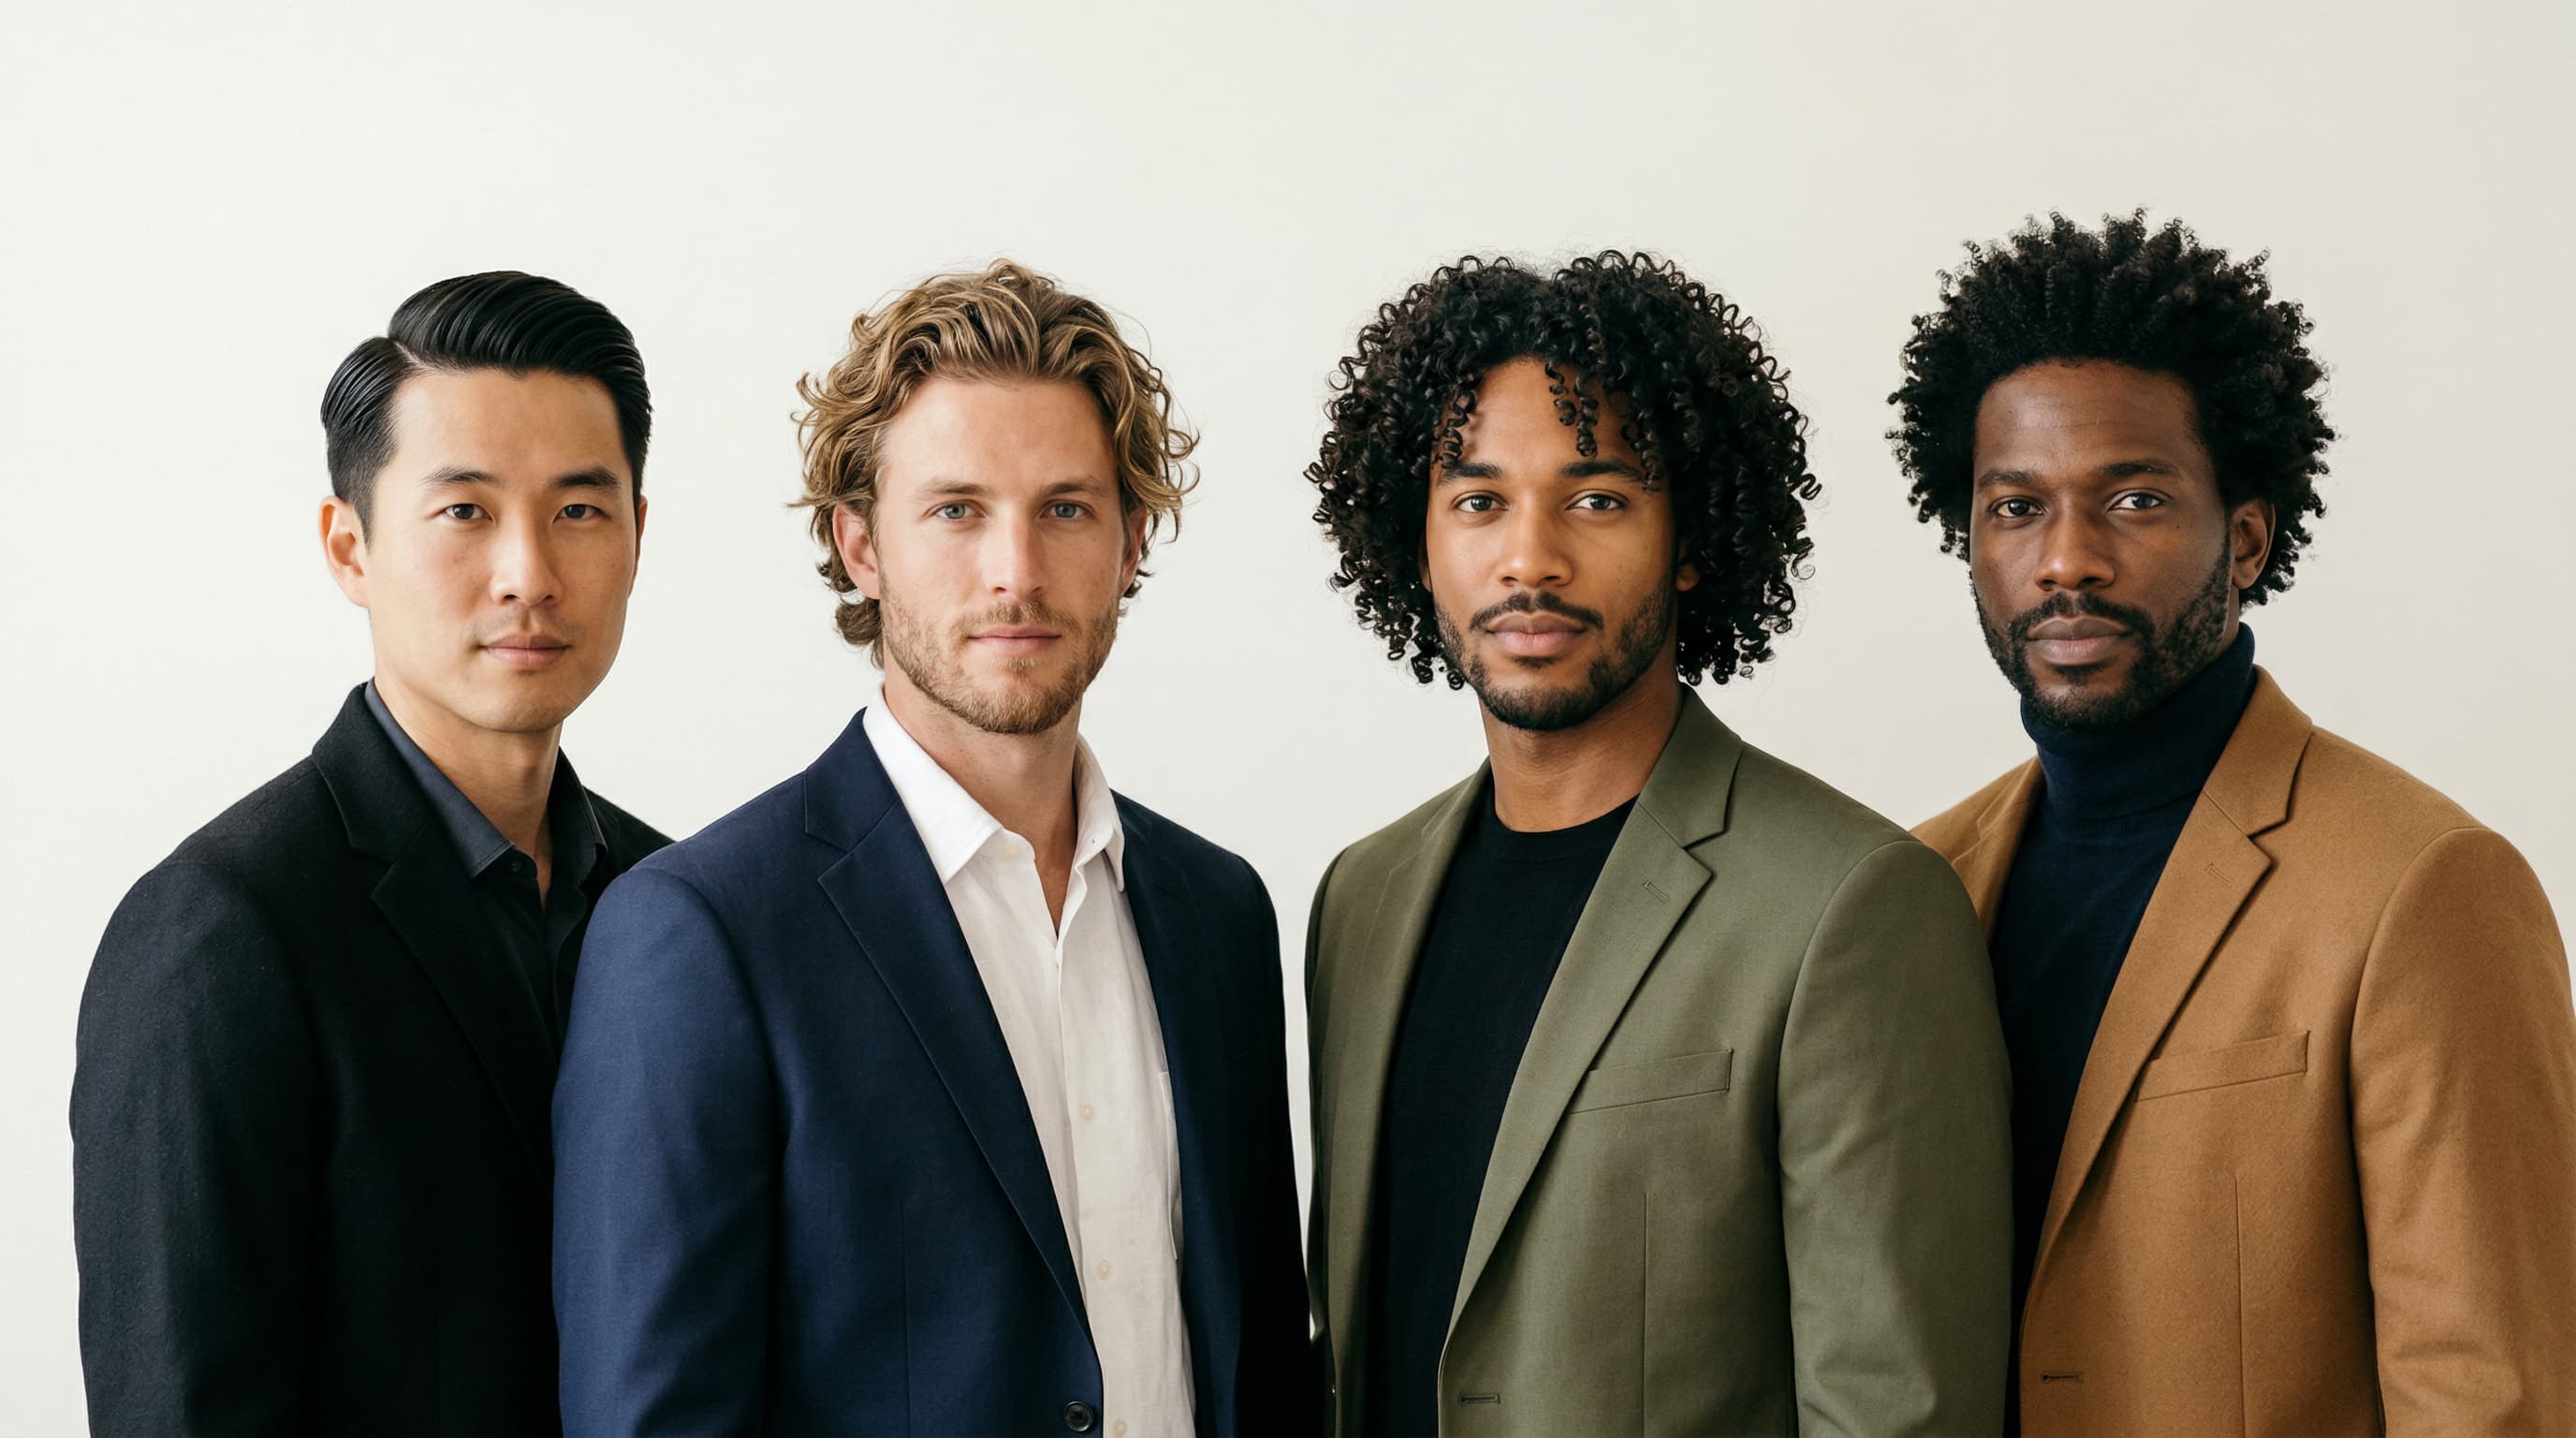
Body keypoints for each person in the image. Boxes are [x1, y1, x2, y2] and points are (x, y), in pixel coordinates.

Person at [552, 260, 1313, 1437]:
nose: (1015, 571)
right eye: (956, 510)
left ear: (1128, 542)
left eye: (1066, 507)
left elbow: (1258, 1368)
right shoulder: (701, 932)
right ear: (861, 547)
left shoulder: (1218, 914)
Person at [1301, 252, 2012, 1436]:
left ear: (1690, 535)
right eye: (1477, 501)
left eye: (1596, 499)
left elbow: (1896, 1411)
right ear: (1416, 543)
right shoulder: (1359, 903)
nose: (1530, 558)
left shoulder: (1854, 909)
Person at [1894, 212, 2576, 1434]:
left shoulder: (2424, 887)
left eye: (2135, 499)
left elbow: (2492, 1400)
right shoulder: (1913, 888)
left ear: (2246, 537)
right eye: (2016, 508)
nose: (2068, 562)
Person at [71, 271, 668, 1435]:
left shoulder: (675, 901)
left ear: (639, 535)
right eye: (465, 511)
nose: (529, 574)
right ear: (349, 547)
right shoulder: (220, 929)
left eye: (580, 510)